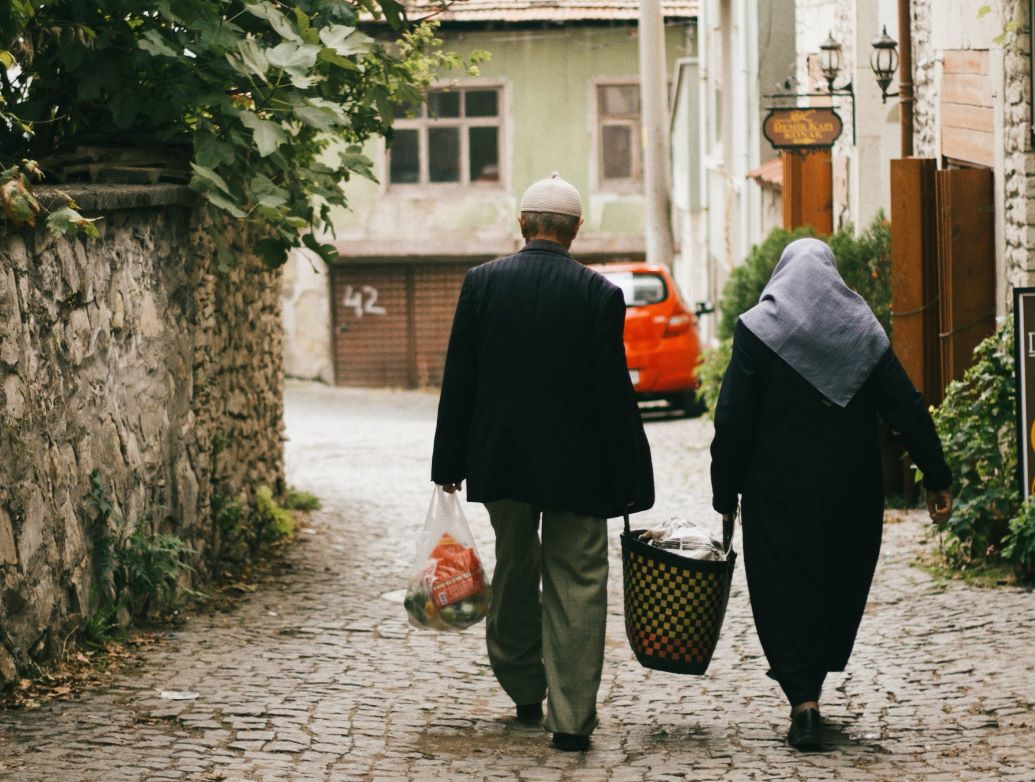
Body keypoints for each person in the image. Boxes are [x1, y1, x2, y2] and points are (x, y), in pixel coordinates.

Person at [431, 173, 654, 753]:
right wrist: (630, 479)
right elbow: (612, 394)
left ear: (522, 224)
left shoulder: (481, 283)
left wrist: (447, 461)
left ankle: (524, 686)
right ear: (576, 230)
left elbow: (461, 379)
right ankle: (573, 719)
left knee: (513, 565)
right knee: (578, 580)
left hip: (501, 459)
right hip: (578, 468)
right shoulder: (597, 294)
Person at [709, 238, 953, 751]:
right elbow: (906, 406)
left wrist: (724, 491)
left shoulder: (758, 330)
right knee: (834, 580)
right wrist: (936, 476)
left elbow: (732, 419)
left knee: (783, 586)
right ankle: (811, 689)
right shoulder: (860, 328)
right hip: (851, 489)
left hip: (776, 491)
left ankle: (803, 699)